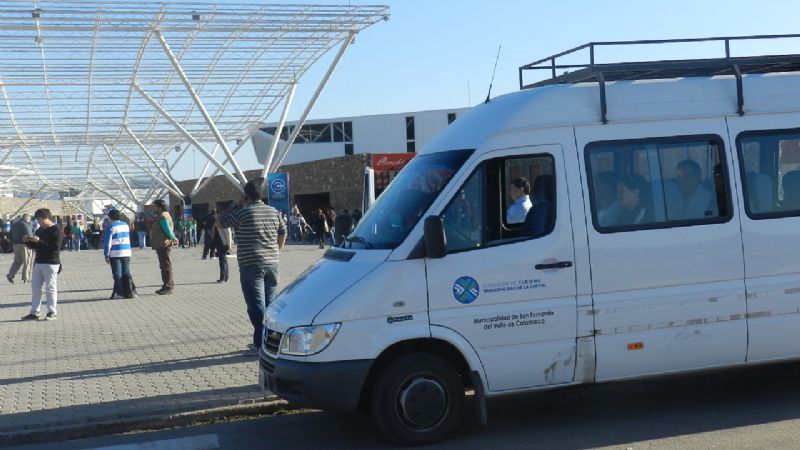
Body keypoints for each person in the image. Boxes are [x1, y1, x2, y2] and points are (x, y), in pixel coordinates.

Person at [219, 177, 287, 354]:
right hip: (272, 263)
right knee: (270, 305)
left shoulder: (242, 213)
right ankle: (271, 342)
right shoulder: (273, 211)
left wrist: (236, 204)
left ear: (246, 196)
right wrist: (277, 250)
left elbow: (220, 221)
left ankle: (260, 344)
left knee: (256, 306)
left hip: (251, 265)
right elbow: (283, 232)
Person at [21, 208, 63, 321]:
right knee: (35, 288)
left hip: (51, 263)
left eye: (39, 219)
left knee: (50, 288)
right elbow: (37, 246)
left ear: (45, 217)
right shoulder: (40, 230)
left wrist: (39, 241)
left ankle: (52, 312)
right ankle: (34, 312)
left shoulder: (57, 230)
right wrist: (28, 241)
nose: (38, 222)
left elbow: (55, 249)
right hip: (38, 262)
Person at [103, 209, 135, 299]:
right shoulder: (125, 225)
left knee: (117, 275)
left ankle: (120, 293)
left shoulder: (111, 227)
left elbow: (107, 242)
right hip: (126, 252)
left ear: (110, 217)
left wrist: (106, 254)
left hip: (115, 253)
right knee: (126, 272)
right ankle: (131, 291)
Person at [150, 199, 179, 295]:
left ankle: (168, 286)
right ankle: (167, 285)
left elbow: (167, 230)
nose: (153, 208)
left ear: (159, 207)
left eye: (154, 206)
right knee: (164, 264)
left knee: (165, 265)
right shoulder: (163, 215)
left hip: (163, 243)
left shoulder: (163, 216)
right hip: (161, 243)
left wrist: (174, 238)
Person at [7, 214, 34, 284]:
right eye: (29, 220)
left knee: (17, 261)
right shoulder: (25, 224)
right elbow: (30, 235)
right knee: (27, 261)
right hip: (25, 245)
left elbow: (9, 235)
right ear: (27, 219)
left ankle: (10, 274)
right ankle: (26, 278)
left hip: (15, 245)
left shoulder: (14, 224)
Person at [213, 216, 232, 283]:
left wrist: (229, 245)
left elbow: (228, 234)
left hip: (223, 244)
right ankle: (225, 277)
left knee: (222, 261)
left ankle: (222, 277)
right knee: (223, 260)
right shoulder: (217, 223)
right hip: (218, 243)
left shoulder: (224, 222)